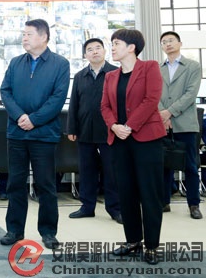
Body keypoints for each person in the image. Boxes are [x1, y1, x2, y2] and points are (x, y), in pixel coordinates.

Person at [0, 18, 69, 250]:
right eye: (23, 34)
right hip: (16, 134)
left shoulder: (60, 64)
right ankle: (14, 229)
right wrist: (20, 116)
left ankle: (48, 232)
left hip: (44, 134)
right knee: (15, 183)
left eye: (28, 34)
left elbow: (58, 98)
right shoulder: (16, 62)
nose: (24, 38)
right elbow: (5, 91)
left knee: (46, 185)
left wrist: (34, 120)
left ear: (44, 37)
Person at [101, 29, 166, 265]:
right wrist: (114, 126)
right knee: (126, 192)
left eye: (116, 43)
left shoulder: (149, 67)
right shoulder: (110, 76)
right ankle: (133, 241)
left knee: (149, 193)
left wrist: (128, 126)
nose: (112, 47)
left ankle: (152, 245)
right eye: (112, 43)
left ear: (131, 47)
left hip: (146, 139)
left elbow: (151, 100)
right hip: (119, 141)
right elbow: (105, 106)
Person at [66, 38, 122, 224]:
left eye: (98, 48)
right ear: (85, 55)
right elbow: (74, 104)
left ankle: (115, 208)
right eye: (90, 49)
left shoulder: (116, 72)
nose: (95, 51)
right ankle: (87, 207)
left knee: (112, 171)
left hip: (110, 130)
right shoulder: (79, 76)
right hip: (85, 130)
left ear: (105, 51)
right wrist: (71, 128)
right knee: (86, 170)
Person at [158, 31, 202, 219]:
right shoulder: (157, 69)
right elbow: (153, 94)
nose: (167, 44)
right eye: (164, 42)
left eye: (171, 40)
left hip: (185, 124)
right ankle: (164, 202)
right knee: (164, 164)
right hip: (162, 124)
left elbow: (191, 94)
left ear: (180, 43)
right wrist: (162, 114)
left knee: (190, 165)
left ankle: (194, 204)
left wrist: (169, 112)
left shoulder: (193, 66)